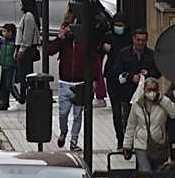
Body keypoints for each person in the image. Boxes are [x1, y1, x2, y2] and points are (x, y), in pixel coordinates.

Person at [43, 9, 97, 150]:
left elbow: (92, 60)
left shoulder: (84, 41)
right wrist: (59, 37)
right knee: (63, 112)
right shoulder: (64, 42)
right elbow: (49, 51)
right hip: (65, 83)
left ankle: (74, 140)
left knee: (78, 114)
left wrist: (94, 79)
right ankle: (63, 131)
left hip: (80, 83)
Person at [111, 28, 161, 148]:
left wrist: (148, 73)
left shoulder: (151, 55)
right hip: (128, 93)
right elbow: (116, 71)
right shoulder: (124, 54)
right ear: (133, 39)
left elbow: (158, 72)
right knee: (128, 120)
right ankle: (127, 143)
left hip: (146, 96)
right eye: (138, 40)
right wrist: (130, 77)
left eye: (143, 40)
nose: (140, 43)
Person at [123, 76, 175, 172]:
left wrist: (162, 100)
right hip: (141, 144)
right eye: (149, 89)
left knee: (158, 173)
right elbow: (131, 126)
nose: (151, 92)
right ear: (144, 90)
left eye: (154, 89)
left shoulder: (163, 103)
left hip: (159, 145)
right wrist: (127, 145)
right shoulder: (137, 105)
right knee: (145, 171)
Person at [102, 12, 132, 148]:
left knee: (128, 111)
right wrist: (103, 47)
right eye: (116, 25)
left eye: (121, 25)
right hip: (112, 78)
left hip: (127, 78)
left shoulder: (130, 39)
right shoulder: (108, 37)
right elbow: (96, 50)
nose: (118, 28)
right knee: (116, 112)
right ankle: (120, 139)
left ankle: (128, 139)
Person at [14, 0, 41, 105]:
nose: (20, 4)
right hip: (24, 48)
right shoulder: (27, 16)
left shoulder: (29, 16)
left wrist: (21, 50)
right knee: (24, 73)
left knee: (24, 73)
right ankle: (23, 94)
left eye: (22, 1)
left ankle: (24, 96)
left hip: (26, 50)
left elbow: (27, 36)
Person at [0, 23, 17, 111]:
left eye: (5, 31)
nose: (3, 33)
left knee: (9, 85)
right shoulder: (2, 41)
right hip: (4, 66)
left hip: (11, 66)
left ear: (10, 32)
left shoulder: (14, 43)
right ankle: (4, 103)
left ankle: (19, 98)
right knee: (3, 85)